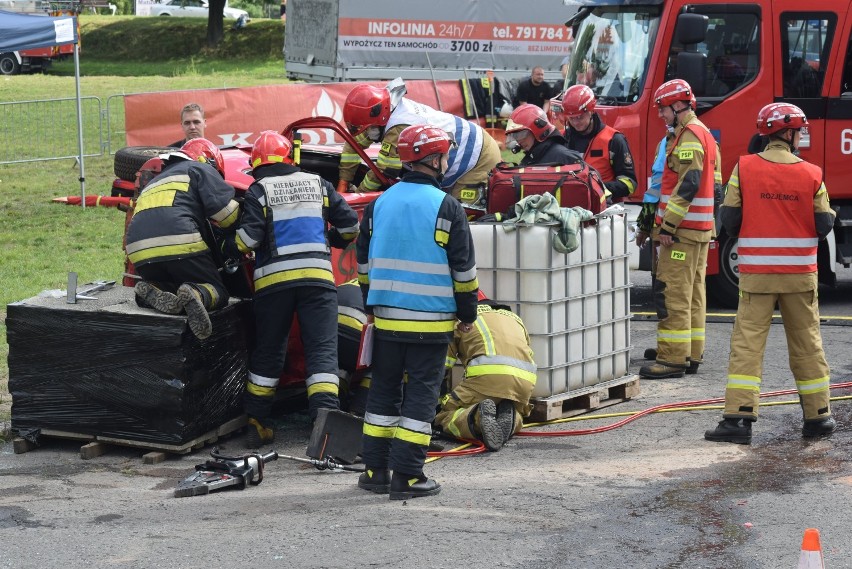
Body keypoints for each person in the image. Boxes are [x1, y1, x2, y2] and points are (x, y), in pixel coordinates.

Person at [355, 124, 478, 500]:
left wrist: (371, 305)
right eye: (444, 156)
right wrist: (468, 312)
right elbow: (463, 271)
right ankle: (408, 476)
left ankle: (375, 471)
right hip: (430, 322)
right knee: (421, 398)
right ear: (434, 159)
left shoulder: (379, 203)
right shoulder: (447, 206)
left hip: (387, 319)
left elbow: (362, 263)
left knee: (383, 394)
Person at [704, 103, 836, 444]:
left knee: (747, 345)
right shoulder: (812, 173)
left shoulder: (744, 168)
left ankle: (738, 422)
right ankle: (818, 417)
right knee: (807, 344)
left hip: (757, 276)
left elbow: (730, 220)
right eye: (799, 131)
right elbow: (824, 223)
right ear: (788, 134)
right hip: (799, 277)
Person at [221, 131, 359, 447]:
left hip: (273, 286)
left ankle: (257, 421)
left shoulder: (259, 191)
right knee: (322, 350)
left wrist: (227, 246)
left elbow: (248, 241)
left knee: (269, 351)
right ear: (289, 159)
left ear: (256, 165)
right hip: (318, 282)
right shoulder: (318, 184)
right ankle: (324, 426)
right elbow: (350, 225)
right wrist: (332, 240)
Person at [639, 79, 721, 379]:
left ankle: (672, 358)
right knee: (693, 294)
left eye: (663, 109)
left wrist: (667, 226)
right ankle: (690, 352)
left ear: (677, 106)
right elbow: (716, 184)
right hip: (698, 230)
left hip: (682, 232)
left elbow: (688, 185)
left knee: (672, 293)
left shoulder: (688, 137)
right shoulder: (705, 134)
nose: (661, 115)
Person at [126, 138, 238, 340]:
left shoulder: (154, 181)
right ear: (209, 160)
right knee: (218, 291)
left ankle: (154, 289)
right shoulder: (198, 168)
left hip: (138, 249)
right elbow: (227, 215)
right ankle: (198, 293)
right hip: (179, 241)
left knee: (173, 281)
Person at [337, 81, 502, 206]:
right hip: (458, 149)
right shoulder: (384, 111)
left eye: (367, 128)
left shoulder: (399, 125)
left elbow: (386, 169)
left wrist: (358, 195)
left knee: (460, 214)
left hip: (477, 156)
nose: (366, 133)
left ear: (378, 118)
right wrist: (343, 184)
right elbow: (353, 144)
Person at [435, 293, 537, 452]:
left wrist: (435, 405)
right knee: (516, 407)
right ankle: (513, 416)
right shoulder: (514, 318)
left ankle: (476, 417)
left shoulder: (460, 320)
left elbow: (439, 368)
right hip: (523, 386)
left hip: (485, 383)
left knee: (442, 416)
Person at [558, 85, 637, 202]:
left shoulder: (613, 140)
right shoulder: (561, 139)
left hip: (605, 210)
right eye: (571, 118)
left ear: (591, 111)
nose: (575, 122)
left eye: (580, 117)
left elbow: (630, 183)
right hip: (569, 208)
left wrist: (598, 188)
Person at [504, 103, 583, 166]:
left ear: (538, 130)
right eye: (514, 136)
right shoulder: (532, 158)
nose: (518, 140)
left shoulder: (565, 158)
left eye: (521, 135)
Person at [336, 278, 371, 416]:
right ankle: (359, 409)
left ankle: (336, 404)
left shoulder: (350, 283)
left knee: (342, 366)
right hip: (357, 336)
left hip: (330, 334)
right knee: (386, 363)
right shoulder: (389, 290)